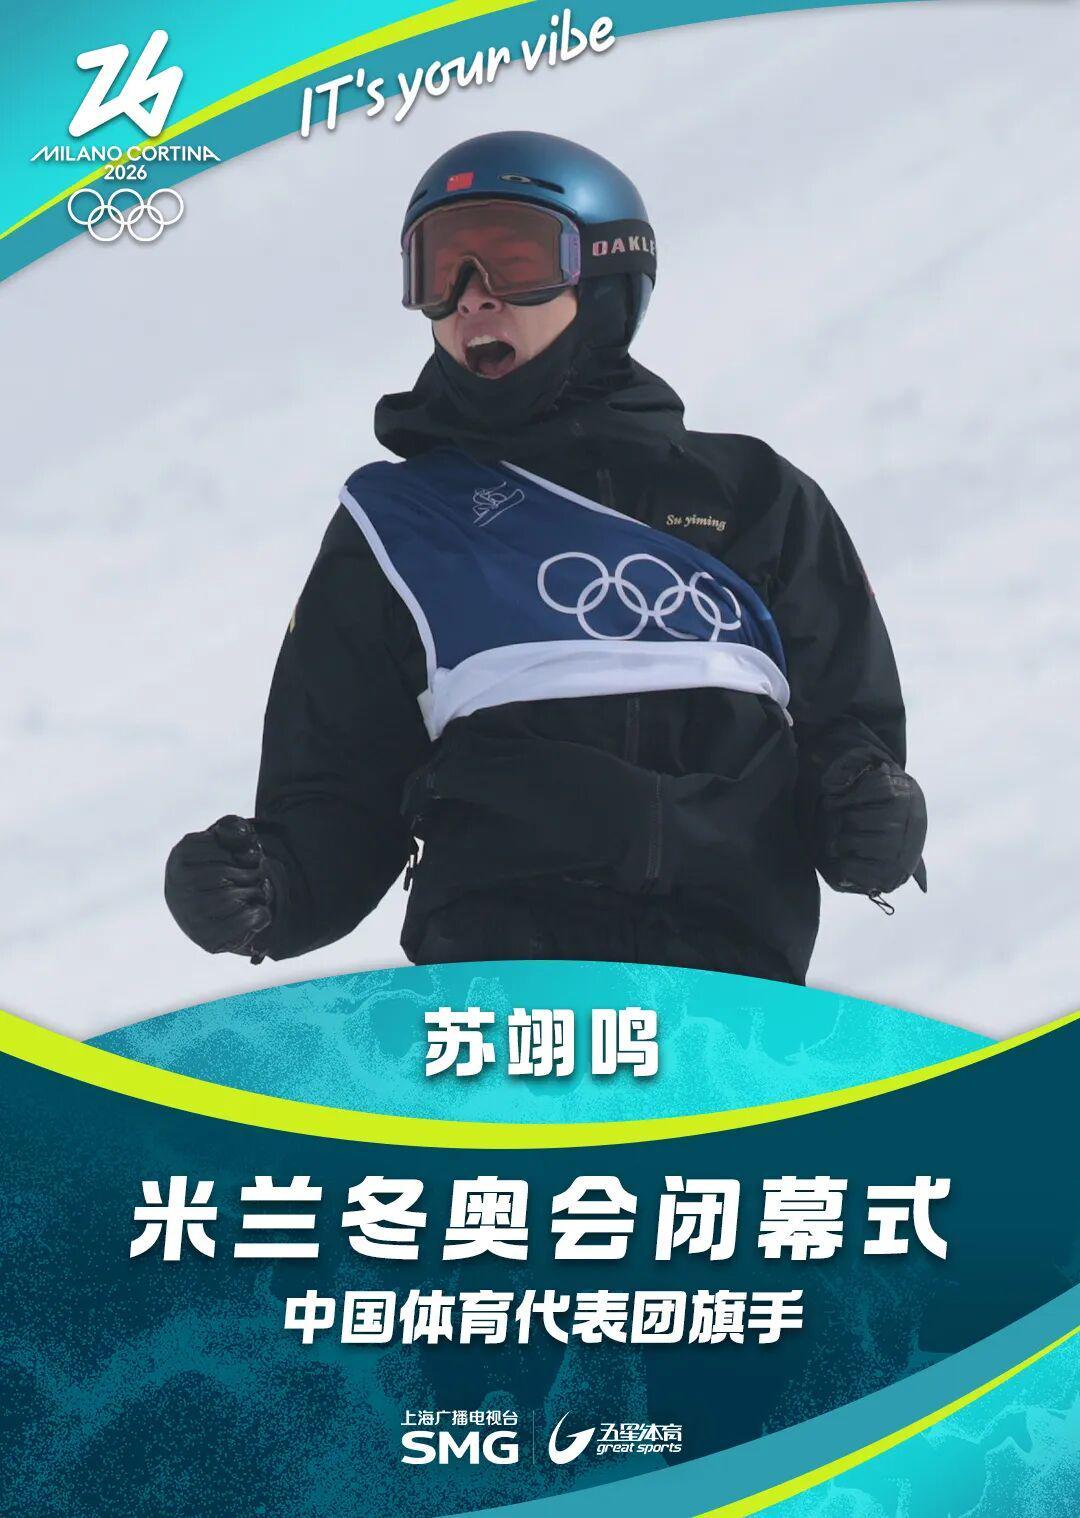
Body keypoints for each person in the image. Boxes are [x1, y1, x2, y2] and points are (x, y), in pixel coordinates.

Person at [165, 130, 926, 984]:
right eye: (440, 269)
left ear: (603, 276)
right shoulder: (399, 527)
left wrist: (869, 811)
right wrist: (271, 884)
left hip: (730, 989)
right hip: (504, 987)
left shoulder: (756, 499)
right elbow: (341, 795)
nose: (471, 298)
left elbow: (846, 731)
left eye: (513, 260)